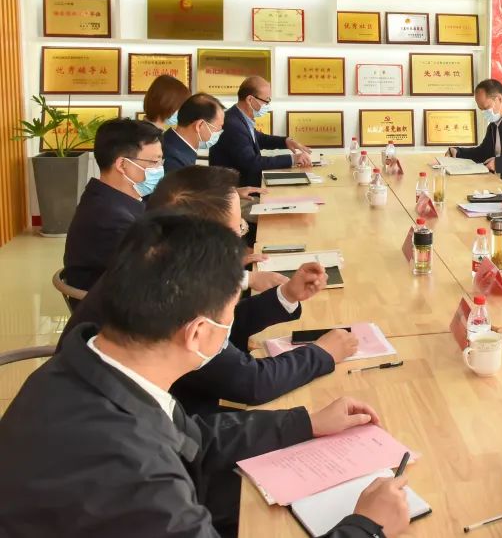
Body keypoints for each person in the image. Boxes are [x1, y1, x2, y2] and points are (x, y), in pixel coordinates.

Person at [0, 213, 410, 537]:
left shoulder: (89, 364)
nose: (233, 326)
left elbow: (192, 437)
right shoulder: (138, 478)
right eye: (231, 312)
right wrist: (367, 527)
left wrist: (305, 423)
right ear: (197, 332)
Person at [60, 166, 359, 415]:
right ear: (206, 239)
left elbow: (218, 332)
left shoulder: (156, 263)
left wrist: (286, 296)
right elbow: (251, 382)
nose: (240, 238)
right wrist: (322, 354)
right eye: (238, 229)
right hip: (181, 427)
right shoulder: (169, 293)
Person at [62, 118, 163, 292]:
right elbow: (154, 277)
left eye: (161, 161)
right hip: (115, 305)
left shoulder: (106, 197)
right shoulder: (111, 219)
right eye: (154, 162)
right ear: (122, 165)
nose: (160, 168)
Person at [210, 76, 313, 188]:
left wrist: (285, 141)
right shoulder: (233, 125)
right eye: (266, 100)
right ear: (250, 100)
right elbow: (252, 163)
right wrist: (293, 159)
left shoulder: (238, 116)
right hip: (238, 190)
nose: (267, 105)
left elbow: (258, 138)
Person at [163, 92, 225, 172]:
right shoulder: (174, 161)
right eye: (219, 127)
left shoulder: (170, 142)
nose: (220, 131)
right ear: (199, 125)